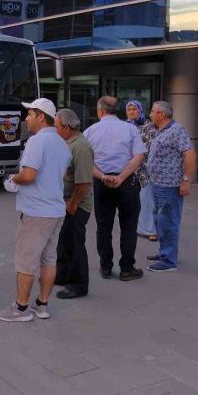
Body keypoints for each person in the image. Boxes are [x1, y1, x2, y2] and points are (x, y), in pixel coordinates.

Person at [0, 99, 70, 322]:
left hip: (37, 211)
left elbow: (28, 175)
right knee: (49, 259)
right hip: (56, 209)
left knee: (26, 260)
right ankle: (42, 305)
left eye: (29, 114)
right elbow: (62, 176)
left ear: (40, 116)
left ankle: (20, 309)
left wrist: (12, 179)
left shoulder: (37, 142)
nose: (26, 118)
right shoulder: (62, 143)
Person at [83, 96, 146, 282]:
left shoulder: (90, 131)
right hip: (126, 183)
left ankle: (106, 266)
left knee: (103, 226)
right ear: (116, 110)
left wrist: (103, 176)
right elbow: (139, 156)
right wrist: (121, 177)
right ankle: (127, 268)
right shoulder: (130, 129)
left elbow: (86, 161)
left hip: (102, 182)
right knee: (128, 226)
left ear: (100, 110)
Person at [146, 101, 196, 273]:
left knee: (168, 221)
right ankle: (164, 253)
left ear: (162, 114)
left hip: (170, 185)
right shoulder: (160, 130)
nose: (150, 114)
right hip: (157, 183)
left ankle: (169, 261)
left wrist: (186, 179)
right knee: (159, 219)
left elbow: (189, 154)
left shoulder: (176, 130)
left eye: (152, 111)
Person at [54, 108, 94, 299]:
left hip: (77, 204)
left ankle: (78, 284)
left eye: (56, 127)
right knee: (64, 241)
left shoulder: (81, 146)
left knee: (75, 244)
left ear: (67, 127)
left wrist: (73, 203)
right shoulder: (68, 142)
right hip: (66, 201)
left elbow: (84, 181)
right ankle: (62, 275)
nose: (55, 130)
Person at [127, 100, 159, 241]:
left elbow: (151, 146)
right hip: (129, 168)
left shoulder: (149, 126)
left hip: (145, 168)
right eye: (129, 109)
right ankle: (136, 227)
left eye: (135, 109)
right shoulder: (125, 126)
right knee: (131, 200)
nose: (132, 112)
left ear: (140, 110)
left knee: (147, 199)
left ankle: (150, 229)